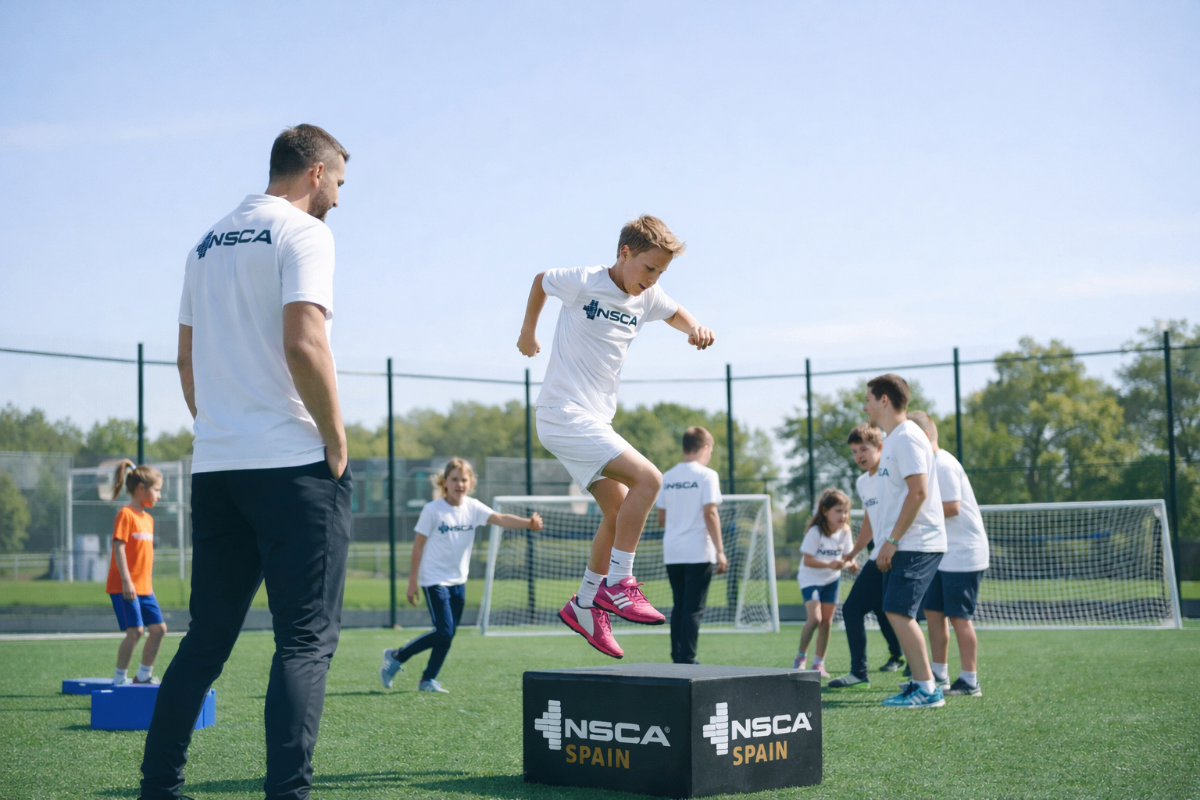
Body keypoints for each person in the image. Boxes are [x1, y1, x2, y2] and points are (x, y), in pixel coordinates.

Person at [140, 124, 353, 800]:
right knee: (304, 641)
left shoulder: (203, 244)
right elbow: (304, 341)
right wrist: (335, 439)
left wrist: (221, 430)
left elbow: (185, 357)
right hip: (293, 466)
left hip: (218, 470)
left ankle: (158, 786)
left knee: (205, 640)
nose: (341, 200)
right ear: (315, 173)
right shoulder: (305, 233)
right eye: (341, 183)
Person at [517, 214, 716, 658]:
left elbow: (676, 312)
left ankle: (586, 605)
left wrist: (695, 327)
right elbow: (539, 281)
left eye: (661, 272)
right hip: (562, 414)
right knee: (650, 479)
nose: (653, 279)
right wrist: (528, 331)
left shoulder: (647, 296)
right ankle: (619, 583)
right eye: (649, 268)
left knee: (620, 509)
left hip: (594, 422)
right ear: (625, 254)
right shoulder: (585, 280)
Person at [380, 459, 543, 692]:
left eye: (464, 479)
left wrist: (528, 523)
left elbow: (499, 518)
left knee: (447, 634)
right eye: (454, 479)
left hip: (459, 581)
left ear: (471, 482)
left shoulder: (473, 507)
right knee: (444, 631)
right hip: (434, 580)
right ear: (445, 482)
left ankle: (427, 680)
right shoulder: (432, 510)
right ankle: (396, 656)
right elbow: (418, 546)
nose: (459, 484)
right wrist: (412, 581)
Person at [864, 373, 948, 709]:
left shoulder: (909, 437)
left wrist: (892, 541)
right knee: (895, 610)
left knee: (898, 612)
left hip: (916, 542)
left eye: (868, 398)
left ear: (884, 400)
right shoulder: (894, 439)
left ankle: (928, 690)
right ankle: (919, 681)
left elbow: (919, 493)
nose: (865, 405)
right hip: (904, 543)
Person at [908, 411, 989, 697]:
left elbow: (952, 507)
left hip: (964, 553)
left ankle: (969, 681)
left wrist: (912, 515)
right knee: (933, 612)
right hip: (943, 555)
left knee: (959, 617)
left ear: (925, 437)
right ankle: (938, 673)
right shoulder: (930, 464)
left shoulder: (942, 464)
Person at [827, 424, 906, 689]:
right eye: (854, 451)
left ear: (880, 447)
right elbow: (871, 523)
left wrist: (893, 543)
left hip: (901, 551)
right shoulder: (862, 482)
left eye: (864, 449)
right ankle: (861, 672)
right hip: (879, 555)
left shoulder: (892, 473)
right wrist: (852, 552)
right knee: (859, 609)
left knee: (898, 611)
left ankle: (926, 673)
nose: (859, 455)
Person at [656, 426, 727, 665]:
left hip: (673, 551)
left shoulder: (667, 476)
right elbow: (711, 513)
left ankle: (678, 657)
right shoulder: (707, 475)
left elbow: (661, 518)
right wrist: (720, 551)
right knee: (693, 608)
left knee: (679, 607)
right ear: (705, 448)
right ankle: (688, 658)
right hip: (698, 550)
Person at [105, 460, 166, 686]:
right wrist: (127, 581)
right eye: (157, 490)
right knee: (136, 631)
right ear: (141, 489)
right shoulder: (126, 514)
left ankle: (143, 676)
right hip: (125, 587)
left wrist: (144, 584)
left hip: (144, 588)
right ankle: (119, 680)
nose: (159, 495)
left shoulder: (148, 519)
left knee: (159, 629)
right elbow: (118, 547)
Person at [793, 488, 855, 679]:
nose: (843, 516)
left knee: (827, 622)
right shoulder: (815, 532)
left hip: (831, 580)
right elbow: (808, 560)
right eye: (838, 511)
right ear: (825, 511)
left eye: (845, 511)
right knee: (815, 619)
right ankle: (800, 659)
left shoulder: (845, 532)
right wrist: (830, 563)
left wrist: (851, 564)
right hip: (810, 579)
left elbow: (848, 557)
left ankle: (819, 663)